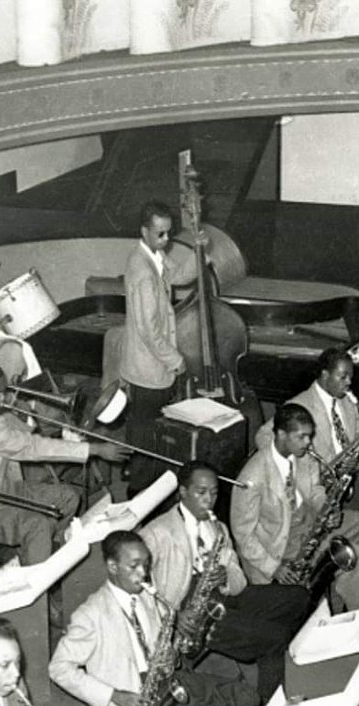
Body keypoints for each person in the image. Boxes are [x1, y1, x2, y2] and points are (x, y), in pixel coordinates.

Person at [50, 531, 257, 706]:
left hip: (166, 683)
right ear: (112, 567)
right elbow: (59, 668)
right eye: (134, 566)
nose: (143, 573)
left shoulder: (146, 594)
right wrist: (114, 695)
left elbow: (160, 637)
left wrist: (172, 643)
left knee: (247, 699)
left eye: (146, 564)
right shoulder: (90, 615)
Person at [139, 461, 309, 702]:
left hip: (223, 599)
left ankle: (264, 656)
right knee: (275, 638)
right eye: (201, 492)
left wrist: (227, 576)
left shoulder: (217, 528)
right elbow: (140, 590)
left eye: (214, 492)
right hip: (193, 618)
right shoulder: (157, 534)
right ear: (183, 492)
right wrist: (173, 617)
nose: (209, 500)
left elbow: (239, 579)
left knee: (298, 597)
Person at [0, 358, 128, 564]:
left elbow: (23, 431)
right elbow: (30, 446)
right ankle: (38, 580)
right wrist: (95, 449)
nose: (2, 398)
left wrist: (22, 410)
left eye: (4, 390)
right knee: (38, 526)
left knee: (68, 497)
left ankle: (46, 553)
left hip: (4, 487)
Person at [255, 348, 359, 535]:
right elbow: (263, 436)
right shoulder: (299, 406)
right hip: (336, 485)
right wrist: (305, 468)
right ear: (324, 375)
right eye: (343, 377)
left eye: (350, 377)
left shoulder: (345, 399)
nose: (349, 383)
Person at [232, 404, 359, 612]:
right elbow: (243, 535)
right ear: (281, 434)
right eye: (301, 437)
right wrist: (273, 567)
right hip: (280, 545)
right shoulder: (252, 477)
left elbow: (314, 491)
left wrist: (327, 510)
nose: (308, 443)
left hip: (309, 521)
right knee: (353, 554)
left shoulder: (305, 456)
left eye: (310, 436)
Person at [119, 200, 201, 494]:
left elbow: (178, 276)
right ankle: (138, 496)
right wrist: (175, 360)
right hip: (148, 367)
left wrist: (199, 253)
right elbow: (149, 330)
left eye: (168, 233)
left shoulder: (154, 255)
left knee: (147, 432)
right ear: (144, 231)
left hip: (149, 363)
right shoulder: (142, 271)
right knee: (146, 437)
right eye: (160, 234)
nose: (166, 240)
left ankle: (145, 483)